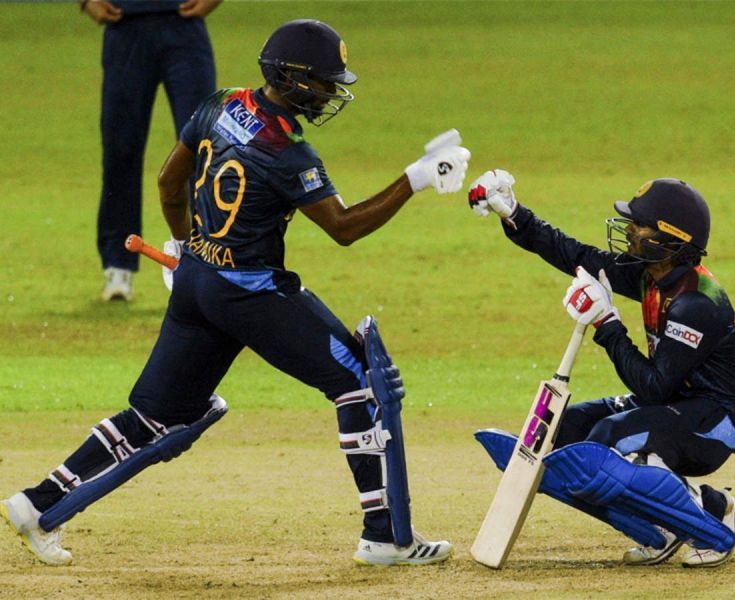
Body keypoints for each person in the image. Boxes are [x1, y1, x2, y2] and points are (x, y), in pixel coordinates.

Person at [1, 19, 469, 567]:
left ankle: (37, 503)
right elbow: (344, 228)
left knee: (155, 416)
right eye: (322, 82)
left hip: (197, 282)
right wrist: (415, 179)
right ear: (292, 80)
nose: (330, 92)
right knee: (356, 381)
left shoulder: (218, 103)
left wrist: (183, 247)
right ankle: (384, 535)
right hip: (249, 291)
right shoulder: (291, 153)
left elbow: (167, 183)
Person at [468, 171, 735, 567]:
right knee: (566, 432)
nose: (629, 229)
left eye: (639, 224)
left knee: (609, 440)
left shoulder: (695, 303)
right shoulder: (651, 274)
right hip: (677, 401)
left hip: (714, 422)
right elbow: (575, 255)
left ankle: (711, 516)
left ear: (669, 239)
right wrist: (515, 214)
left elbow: (653, 388)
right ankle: (661, 528)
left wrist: (608, 326)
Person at [82, 0, 222, 301]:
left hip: (184, 26)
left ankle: (209, 263)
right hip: (124, 25)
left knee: (203, 149)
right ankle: (119, 265)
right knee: (121, 149)